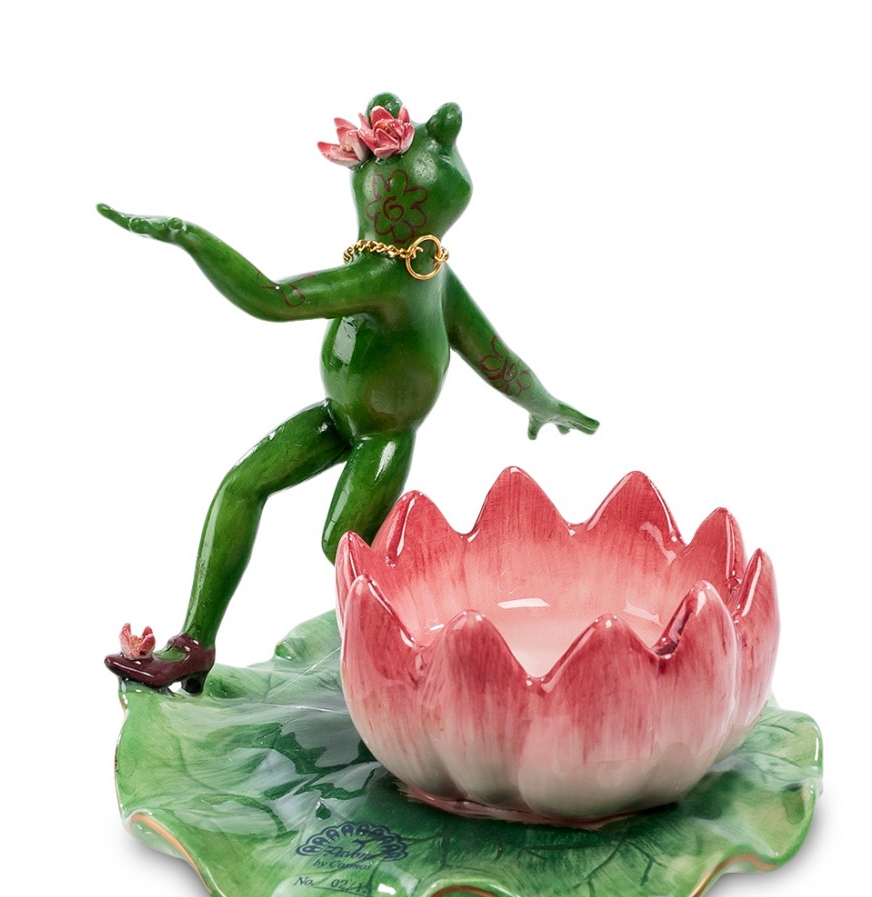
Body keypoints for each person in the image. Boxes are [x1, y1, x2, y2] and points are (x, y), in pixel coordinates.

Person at [103, 94, 598, 692]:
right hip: (338, 417)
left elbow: (270, 299)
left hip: (383, 436)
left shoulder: (395, 277)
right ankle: (195, 643)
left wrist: (189, 236)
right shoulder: (417, 271)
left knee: (342, 543)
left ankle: (421, 660)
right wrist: (540, 403)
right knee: (241, 486)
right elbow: (496, 358)